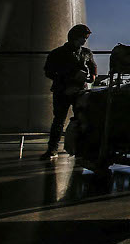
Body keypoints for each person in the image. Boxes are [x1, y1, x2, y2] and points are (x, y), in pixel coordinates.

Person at [40, 24, 97, 159]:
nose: (84, 40)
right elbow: (49, 71)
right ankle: (53, 149)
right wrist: (68, 78)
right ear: (74, 37)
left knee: (76, 119)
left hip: (77, 91)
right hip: (63, 90)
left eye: (85, 38)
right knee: (60, 120)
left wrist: (91, 77)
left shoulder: (85, 52)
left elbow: (93, 66)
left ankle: (73, 148)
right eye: (82, 37)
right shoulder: (58, 53)